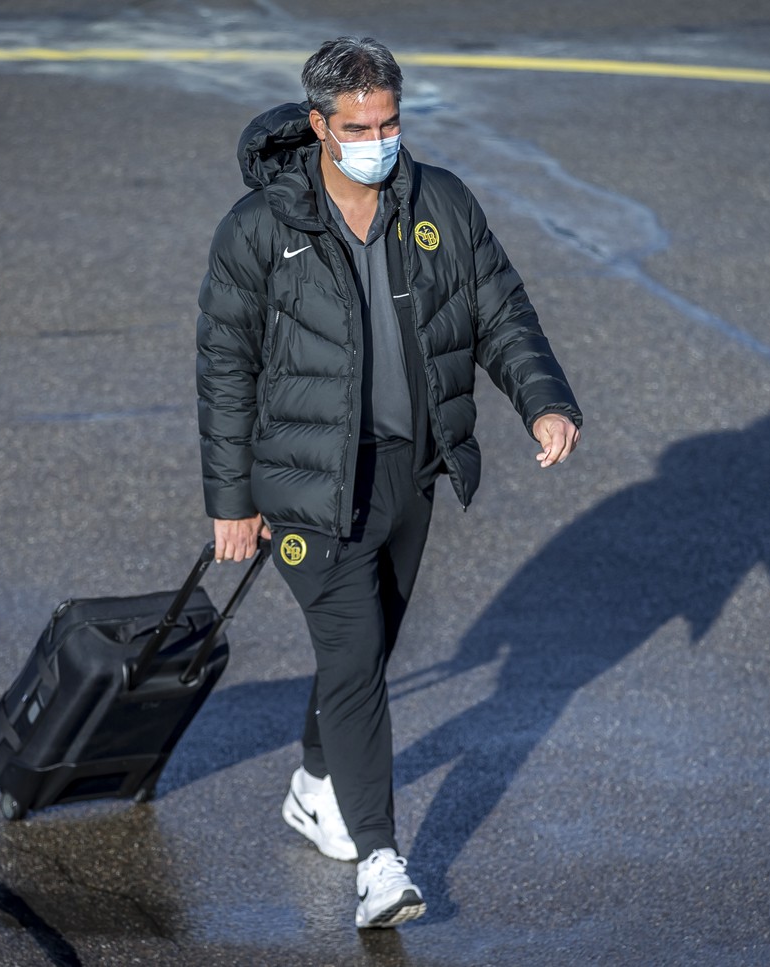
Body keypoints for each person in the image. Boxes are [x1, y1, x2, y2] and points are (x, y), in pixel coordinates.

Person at [195, 36, 582, 929]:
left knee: (364, 649)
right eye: (360, 126)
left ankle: (315, 781)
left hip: (410, 471)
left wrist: (544, 404)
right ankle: (379, 859)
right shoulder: (259, 231)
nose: (379, 139)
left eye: (392, 121)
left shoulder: (437, 202)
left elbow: (499, 309)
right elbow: (224, 367)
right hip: (305, 485)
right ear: (318, 127)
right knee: (355, 654)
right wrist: (232, 500)